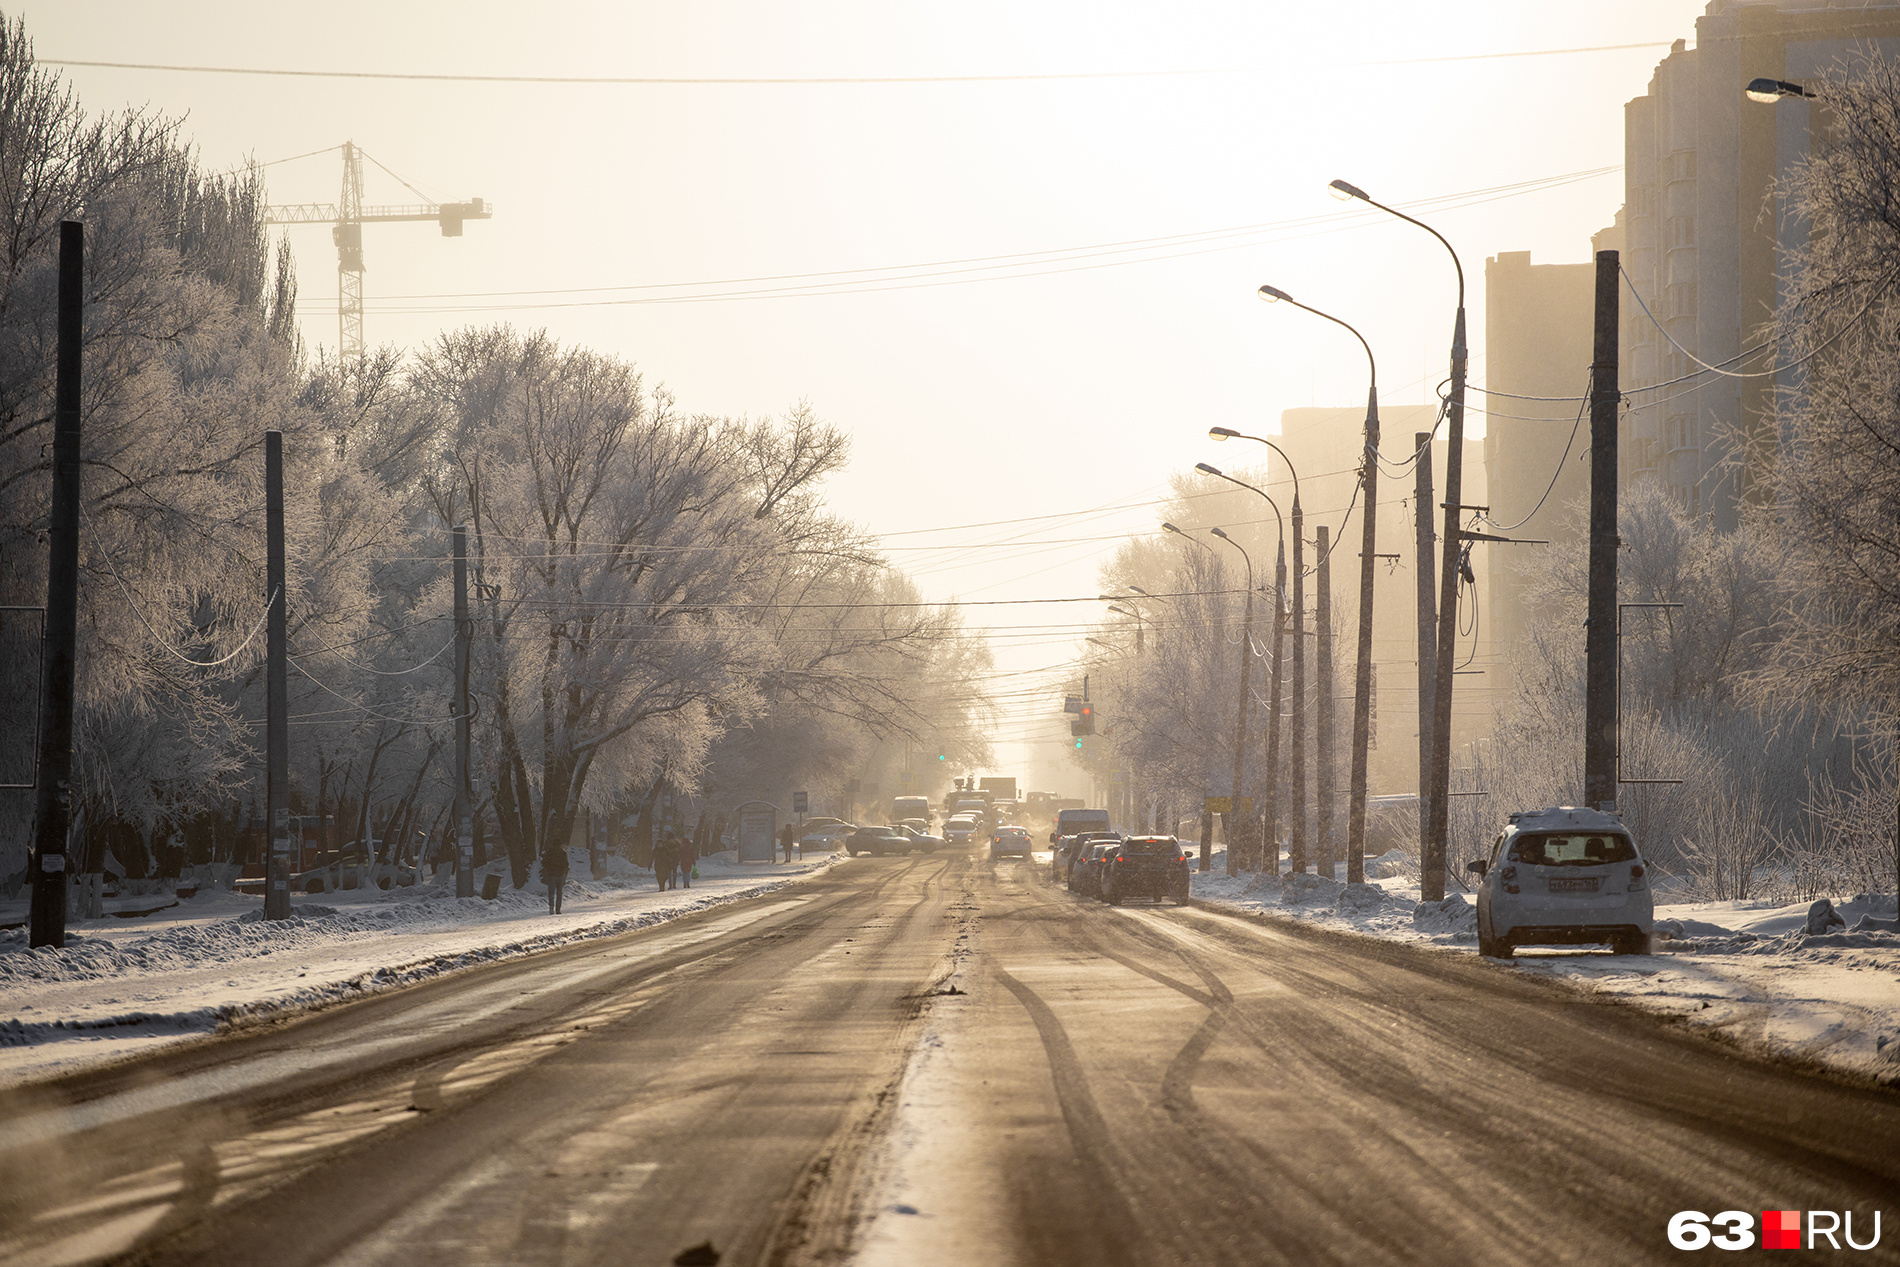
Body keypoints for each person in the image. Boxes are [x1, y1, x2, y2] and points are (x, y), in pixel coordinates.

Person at [542, 840, 569, 914]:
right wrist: (563, 871)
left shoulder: (549, 852)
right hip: (560, 874)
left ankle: (551, 907)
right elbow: (566, 864)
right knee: (559, 892)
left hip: (551, 874)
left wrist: (548, 870)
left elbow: (545, 863)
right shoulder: (563, 853)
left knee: (551, 892)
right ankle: (558, 909)